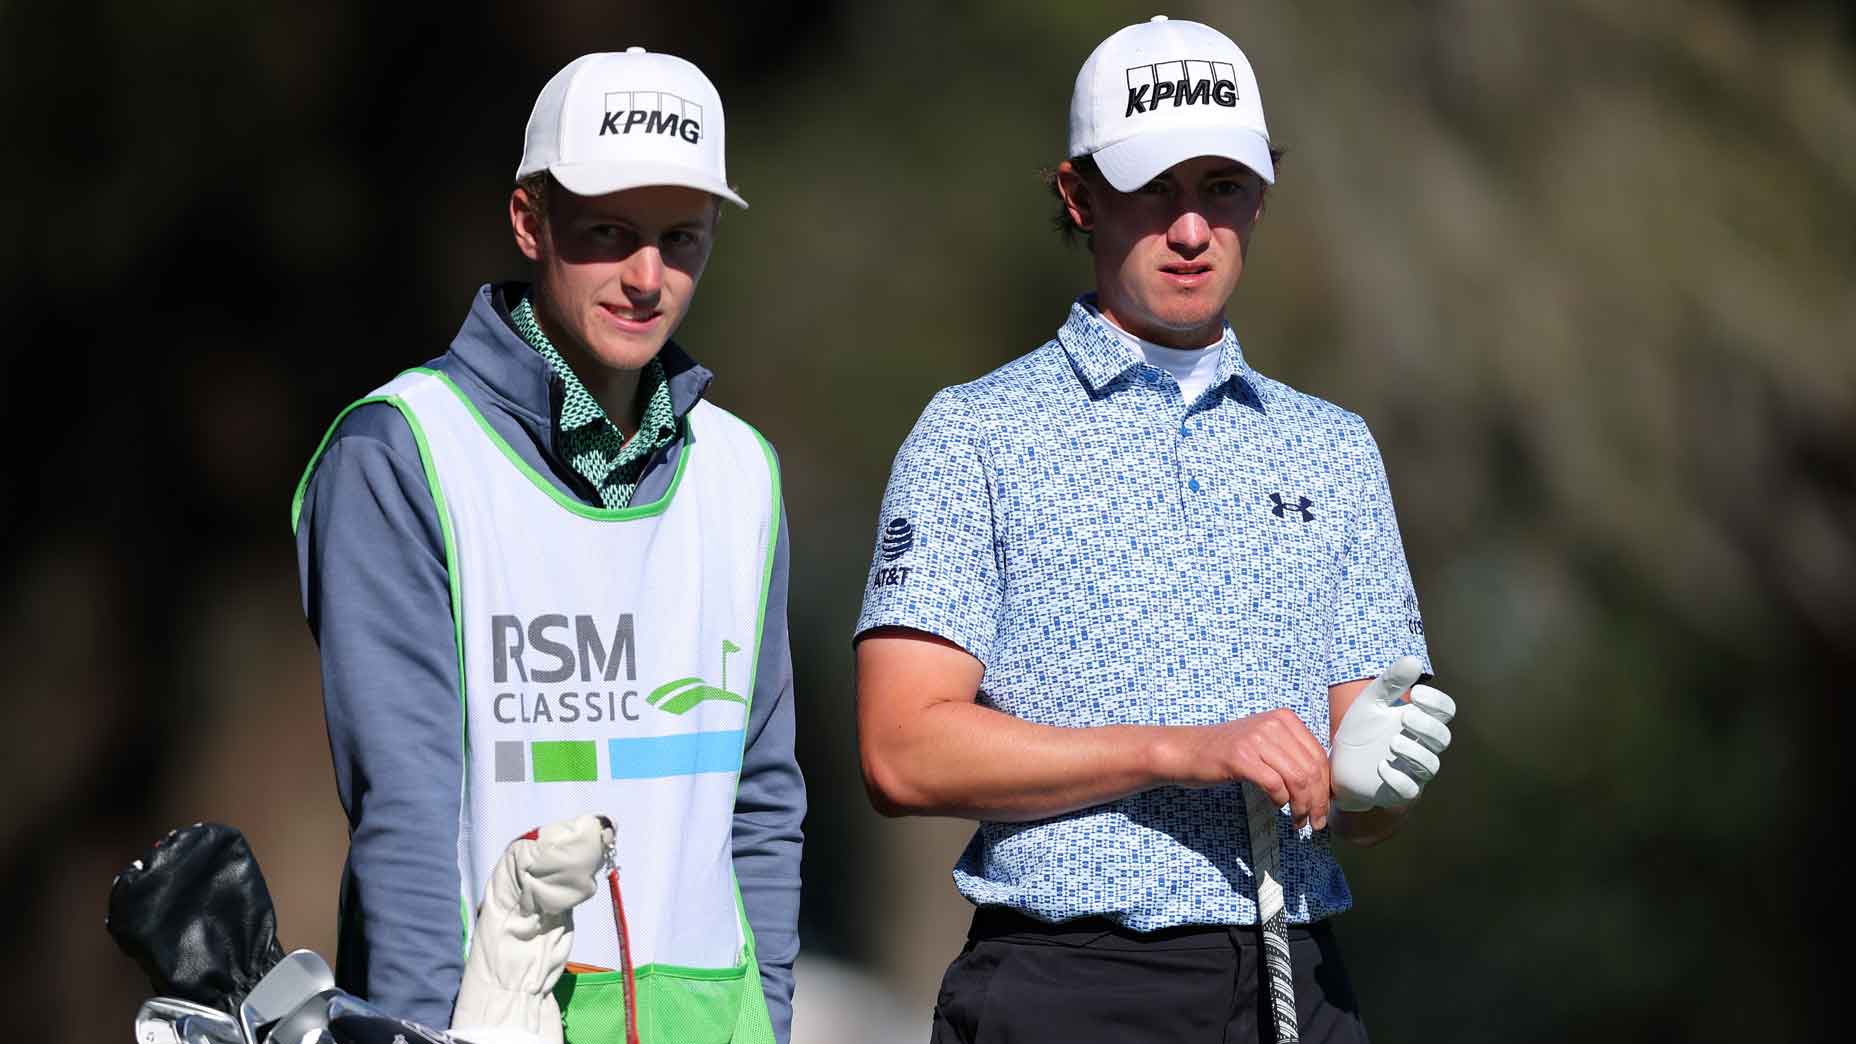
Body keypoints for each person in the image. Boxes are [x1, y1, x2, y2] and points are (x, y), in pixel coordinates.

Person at [853, 16, 1455, 1044]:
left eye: (1219, 190)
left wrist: (1368, 787)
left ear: (1260, 195)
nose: (1189, 230)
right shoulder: (974, 433)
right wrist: (1183, 750)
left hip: (1292, 973)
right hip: (1064, 980)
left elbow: (1363, 787)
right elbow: (902, 751)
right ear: (1078, 196)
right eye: (1154, 190)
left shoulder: (1331, 447)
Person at [293, 49, 803, 1044]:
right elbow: (404, 813)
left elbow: (765, 799)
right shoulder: (401, 450)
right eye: (609, 234)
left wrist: (768, 1023)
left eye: (681, 238)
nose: (647, 278)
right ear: (530, 221)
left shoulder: (741, 471)